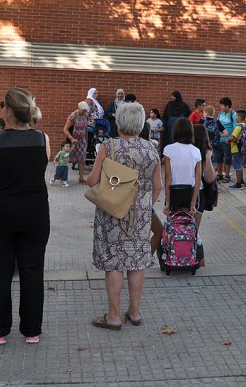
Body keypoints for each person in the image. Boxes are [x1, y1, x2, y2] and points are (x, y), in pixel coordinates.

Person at [0, 88, 51, 345]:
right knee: (33, 271)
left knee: (0, 272)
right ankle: (31, 330)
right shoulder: (43, 138)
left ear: (8, 111)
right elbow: (42, 165)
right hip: (35, 212)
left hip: (2, 212)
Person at [89, 102, 161, 330]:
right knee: (137, 263)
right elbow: (157, 186)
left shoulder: (108, 147)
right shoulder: (151, 149)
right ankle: (136, 312)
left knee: (114, 264)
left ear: (118, 122)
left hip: (112, 213)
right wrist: (143, 205)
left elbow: (92, 181)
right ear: (141, 123)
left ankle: (113, 316)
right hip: (139, 217)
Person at [162, 119, 202, 216]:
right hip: (189, 191)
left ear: (175, 131)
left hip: (174, 191)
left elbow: (168, 177)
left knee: (173, 222)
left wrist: (168, 202)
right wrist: (193, 203)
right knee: (186, 222)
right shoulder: (196, 151)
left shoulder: (168, 149)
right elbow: (198, 179)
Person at [63, 101, 90, 184]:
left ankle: (81, 177)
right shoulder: (73, 116)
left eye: (86, 110)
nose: (85, 112)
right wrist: (71, 139)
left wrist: (86, 139)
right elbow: (65, 129)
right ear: (79, 108)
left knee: (82, 159)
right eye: (84, 110)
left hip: (82, 141)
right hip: (73, 141)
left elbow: (85, 128)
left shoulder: (85, 115)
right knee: (67, 158)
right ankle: (62, 176)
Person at [216, 97, 235, 182]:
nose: (221, 107)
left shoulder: (233, 115)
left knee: (227, 158)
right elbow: (217, 123)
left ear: (227, 106)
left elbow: (236, 128)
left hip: (227, 140)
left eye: (222, 106)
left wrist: (230, 139)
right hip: (219, 140)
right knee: (219, 158)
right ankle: (219, 175)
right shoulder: (220, 113)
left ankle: (227, 176)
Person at [227, 110, 246, 189]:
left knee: (237, 166)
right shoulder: (245, 126)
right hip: (242, 148)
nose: (235, 117)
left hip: (236, 149)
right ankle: (241, 180)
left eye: (236, 116)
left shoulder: (238, 127)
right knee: (240, 164)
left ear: (239, 117)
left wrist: (228, 140)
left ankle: (238, 183)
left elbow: (234, 138)